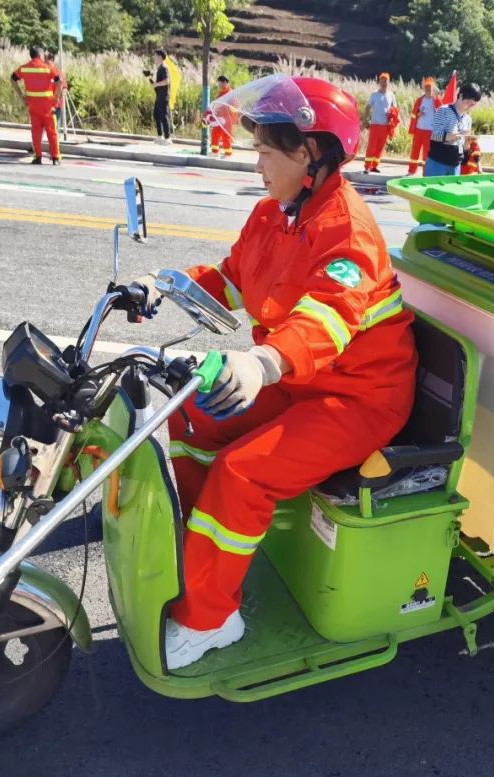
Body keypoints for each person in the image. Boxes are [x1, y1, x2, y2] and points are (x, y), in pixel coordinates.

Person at [131, 75, 417, 669]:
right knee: (190, 413)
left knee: (243, 473)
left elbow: (326, 319)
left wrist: (262, 362)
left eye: (264, 151)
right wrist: (165, 286)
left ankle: (212, 620)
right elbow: (233, 278)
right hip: (298, 380)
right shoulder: (274, 214)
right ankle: (199, 543)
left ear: (308, 153)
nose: (255, 162)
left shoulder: (348, 232)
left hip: (357, 398)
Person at [11, 46, 62, 165]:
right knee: (52, 132)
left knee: (36, 133)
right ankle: (55, 157)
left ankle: (38, 157)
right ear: (40, 55)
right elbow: (59, 81)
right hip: (47, 106)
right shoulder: (47, 68)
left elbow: (13, 79)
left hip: (33, 106)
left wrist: (21, 95)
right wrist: (56, 97)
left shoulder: (24, 68)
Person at [423, 81, 482, 177]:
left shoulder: (468, 119)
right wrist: (451, 136)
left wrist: (467, 145)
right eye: (469, 103)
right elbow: (434, 136)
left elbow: (463, 146)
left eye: (473, 105)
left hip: (455, 166)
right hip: (437, 164)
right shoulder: (444, 110)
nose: (470, 106)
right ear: (461, 96)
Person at [363, 72, 397, 173]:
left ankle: (374, 166)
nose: (383, 83)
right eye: (382, 81)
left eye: (385, 81)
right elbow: (367, 107)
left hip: (385, 126)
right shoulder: (374, 94)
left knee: (380, 147)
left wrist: (392, 114)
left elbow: (395, 109)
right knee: (371, 146)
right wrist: (364, 120)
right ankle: (367, 167)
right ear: (379, 82)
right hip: (375, 125)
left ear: (388, 83)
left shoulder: (391, 95)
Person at [406, 77, 441, 175]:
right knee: (415, 151)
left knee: (427, 153)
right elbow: (414, 115)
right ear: (424, 89)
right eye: (426, 88)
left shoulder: (436, 100)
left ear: (433, 89)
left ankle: (426, 172)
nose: (428, 90)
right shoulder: (419, 100)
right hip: (419, 129)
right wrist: (419, 114)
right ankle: (411, 171)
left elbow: (441, 112)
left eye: (430, 88)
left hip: (430, 131)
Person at [149, 48, 172, 144]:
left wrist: (156, 84)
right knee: (157, 114)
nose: (154, 57)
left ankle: (167, 138)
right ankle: (160, 136)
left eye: (155, 55)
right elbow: (158, 83)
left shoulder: (164, 68)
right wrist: (150, 79)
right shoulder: (160, 68)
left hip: (164, 96)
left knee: (163, 115)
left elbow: (167, 81)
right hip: (159, 95)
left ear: (160, 57)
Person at [207, 75, 234, 157]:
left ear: (225, 83)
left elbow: (234, 106)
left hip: (226, 118)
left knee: (226, 136)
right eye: (218, 84)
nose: (219, 85)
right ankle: (215, 152)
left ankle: (228, 153)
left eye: (220, 83)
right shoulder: (220, 93)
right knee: (215, 134)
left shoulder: (230, 93)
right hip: (218, 118)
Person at [45, 52, 67, 132]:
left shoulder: (58, 72)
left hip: (56, 106)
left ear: (51, 60)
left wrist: (58, 99)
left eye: (45, 60)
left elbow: (64, 88)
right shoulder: (43, 73)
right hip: (45, 105)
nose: (43, 62)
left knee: (55, 127)